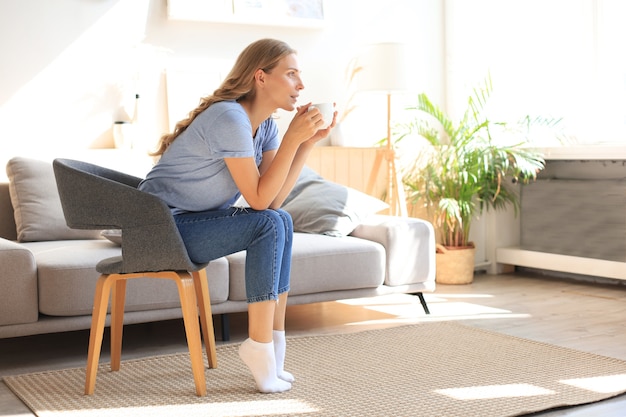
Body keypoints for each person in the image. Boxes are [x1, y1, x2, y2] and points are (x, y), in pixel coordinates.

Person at [138, 38, 336, 393]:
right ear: (261, 77)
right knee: (266, 225)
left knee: (282, 221)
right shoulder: (230, 117)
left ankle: (272, 346)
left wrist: (305, 143)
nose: (301, 85)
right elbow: (259, 203)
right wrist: (294, 137)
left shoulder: (268, 127)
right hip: (157, 228)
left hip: (191, 222)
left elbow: (274, 201)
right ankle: (259, 348)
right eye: (291, 74)